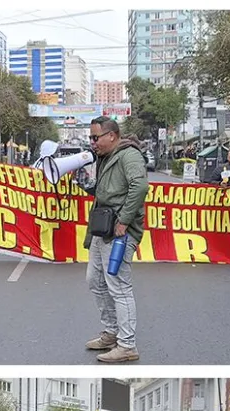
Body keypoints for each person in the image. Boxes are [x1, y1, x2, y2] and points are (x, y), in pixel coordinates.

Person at [84, 116, 148, 363]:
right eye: (91, 137)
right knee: (95, 280)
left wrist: (124, 220)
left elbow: (139, 187)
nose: (93, 142)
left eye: (95, 137)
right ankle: (111, 333)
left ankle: (127, 345)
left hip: (120, 231)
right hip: (103, 228)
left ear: (111, 135)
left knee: (119, 287)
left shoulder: (129, 155)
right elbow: (108, 190)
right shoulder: (107, 157)